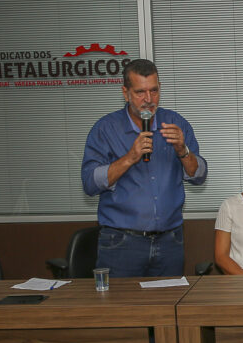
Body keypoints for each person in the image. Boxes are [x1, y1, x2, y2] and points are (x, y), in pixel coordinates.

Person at [81, 58, 207, 277]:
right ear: (125, 92)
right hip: (121, 242)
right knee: (122, 309)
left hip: (170, 241)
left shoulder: (175, 123)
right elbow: (90, 183)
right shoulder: (106, 128)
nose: (149, 100)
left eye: (154, 91)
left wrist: (182, 150)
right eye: (140, 92)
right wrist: (130, 157)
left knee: (169, 308)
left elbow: (200, 175)